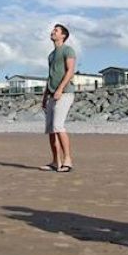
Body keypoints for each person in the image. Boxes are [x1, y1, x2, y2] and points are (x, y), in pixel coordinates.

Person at [39, 24, 76, 173]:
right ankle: (56, 162)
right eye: (53, 30)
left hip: (65, 93)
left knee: (58, 126)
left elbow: (70, 71)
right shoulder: (51, 55)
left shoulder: (68, 50)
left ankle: (68, 160)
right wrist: (44, 97)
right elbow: (51, 76)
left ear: (63, 35)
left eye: (56, 30)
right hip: (52, 95)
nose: (53, 32)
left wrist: (60, 89)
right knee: (51, 130)